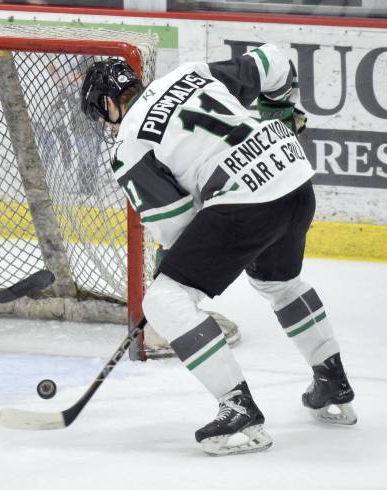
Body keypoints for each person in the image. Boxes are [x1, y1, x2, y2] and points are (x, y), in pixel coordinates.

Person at [80, 44, 356, 456]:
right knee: (279, 282)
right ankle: (332, 381)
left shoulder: (131, 144)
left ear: (108, 104)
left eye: (103, 116)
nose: (108, 127)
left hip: (249, 201)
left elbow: (176, 225)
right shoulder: (190, 73)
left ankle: (238, 409)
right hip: (295, 178)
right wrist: (282, 111)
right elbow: (274, 60)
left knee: (164, 299)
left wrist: (169, 263)